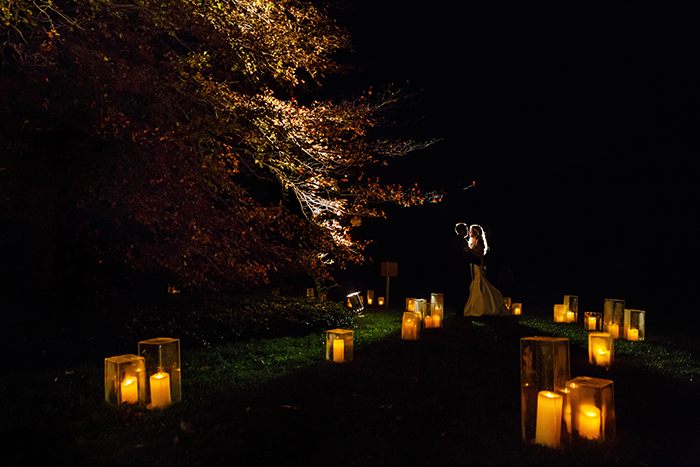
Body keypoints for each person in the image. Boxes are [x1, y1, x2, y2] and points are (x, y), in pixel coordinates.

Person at [463, 224, 510, 317]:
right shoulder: (472, 242)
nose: (469, 232)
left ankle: (485, 306)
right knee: (476, 283)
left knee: (481, 283)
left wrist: (470, 251)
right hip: (474, 265)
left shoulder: (479, 242)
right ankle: (478, 306)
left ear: (476, 232)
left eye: (471, 231)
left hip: (478, 265)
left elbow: (481, 256)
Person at [450, 223, 482, 315]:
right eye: (467, 230)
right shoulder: (461, 242)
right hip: (462, 270)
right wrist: (478, 261)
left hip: (456, 269)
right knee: (462, 289)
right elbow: (466, 256)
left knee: (458, 289)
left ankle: (460, 310)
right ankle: (461, 310)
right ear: (463, 231)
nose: (468, 232)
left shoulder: (455, 240)